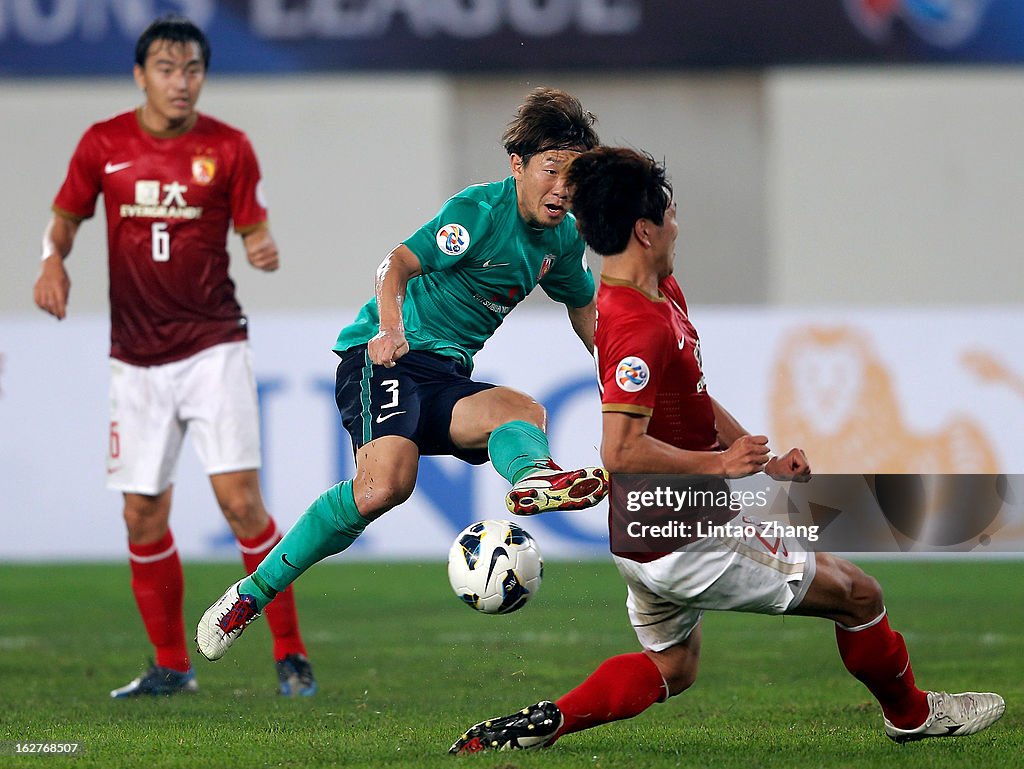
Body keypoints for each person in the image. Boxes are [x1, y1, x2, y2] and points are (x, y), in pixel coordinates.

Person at [449, 147, 1005, 752]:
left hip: (643, 535)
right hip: (687, 537)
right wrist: (722, 465)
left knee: (673, 670)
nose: (677, 226)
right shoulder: (637, 323)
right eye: (670, 215)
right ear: (644, 229)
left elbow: (693, 396)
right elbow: (619, 451)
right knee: (859, 594)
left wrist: (759, 460)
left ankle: (545, 724)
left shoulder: (657, 293)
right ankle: (912, 714)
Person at [195, 87, 610, 661]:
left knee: (523, 412)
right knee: (386, 485)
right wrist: (389, 328)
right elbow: (400, 262)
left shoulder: (563, 239)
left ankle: (534, 478)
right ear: (518, 166)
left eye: (576, 175)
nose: (563, 189)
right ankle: (249, 595)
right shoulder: (479, 212)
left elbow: (584, 308)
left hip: (443, 374)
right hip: (384, 358)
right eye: (552, 170)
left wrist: (616, 373)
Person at [33, 15, 316, 698]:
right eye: (167, 68)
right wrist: (52, 263)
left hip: (213, 346)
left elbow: (256, 226)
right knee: (141, 513)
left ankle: (290, 653)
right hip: (134, 358)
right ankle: (171, 664)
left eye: (192, 69)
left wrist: (261, 247)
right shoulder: (103, 145)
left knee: (241, 503)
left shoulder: (230, 147)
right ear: (140, 75)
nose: (181, 82)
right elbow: (65, 218)